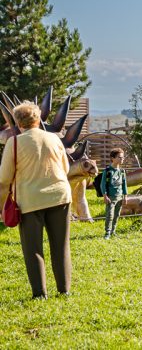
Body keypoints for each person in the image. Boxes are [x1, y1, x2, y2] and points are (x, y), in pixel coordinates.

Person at [0, 101, 72, 299]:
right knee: (61, 245)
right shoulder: (54, 138)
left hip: (30, 200)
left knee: (33, 249)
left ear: (17, 122)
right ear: (37, 118)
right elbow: (65, 169)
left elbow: (4, 179)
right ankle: (64, 290)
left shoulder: (14, 143)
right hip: (60, 196)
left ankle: (40, 293)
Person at [101, 148, 128, 239]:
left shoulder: (122, 171)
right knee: (110, 215)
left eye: (123, 157)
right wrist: (105, 196)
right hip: (111, 197)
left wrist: (125, 196)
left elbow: (124, 184)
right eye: (119, 157)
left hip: (119, 197)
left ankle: (113, 231)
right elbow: (103, 184)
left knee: (117, 215)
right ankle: (107, 233)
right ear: (112, 158)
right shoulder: (108, 171)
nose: (122, 159)